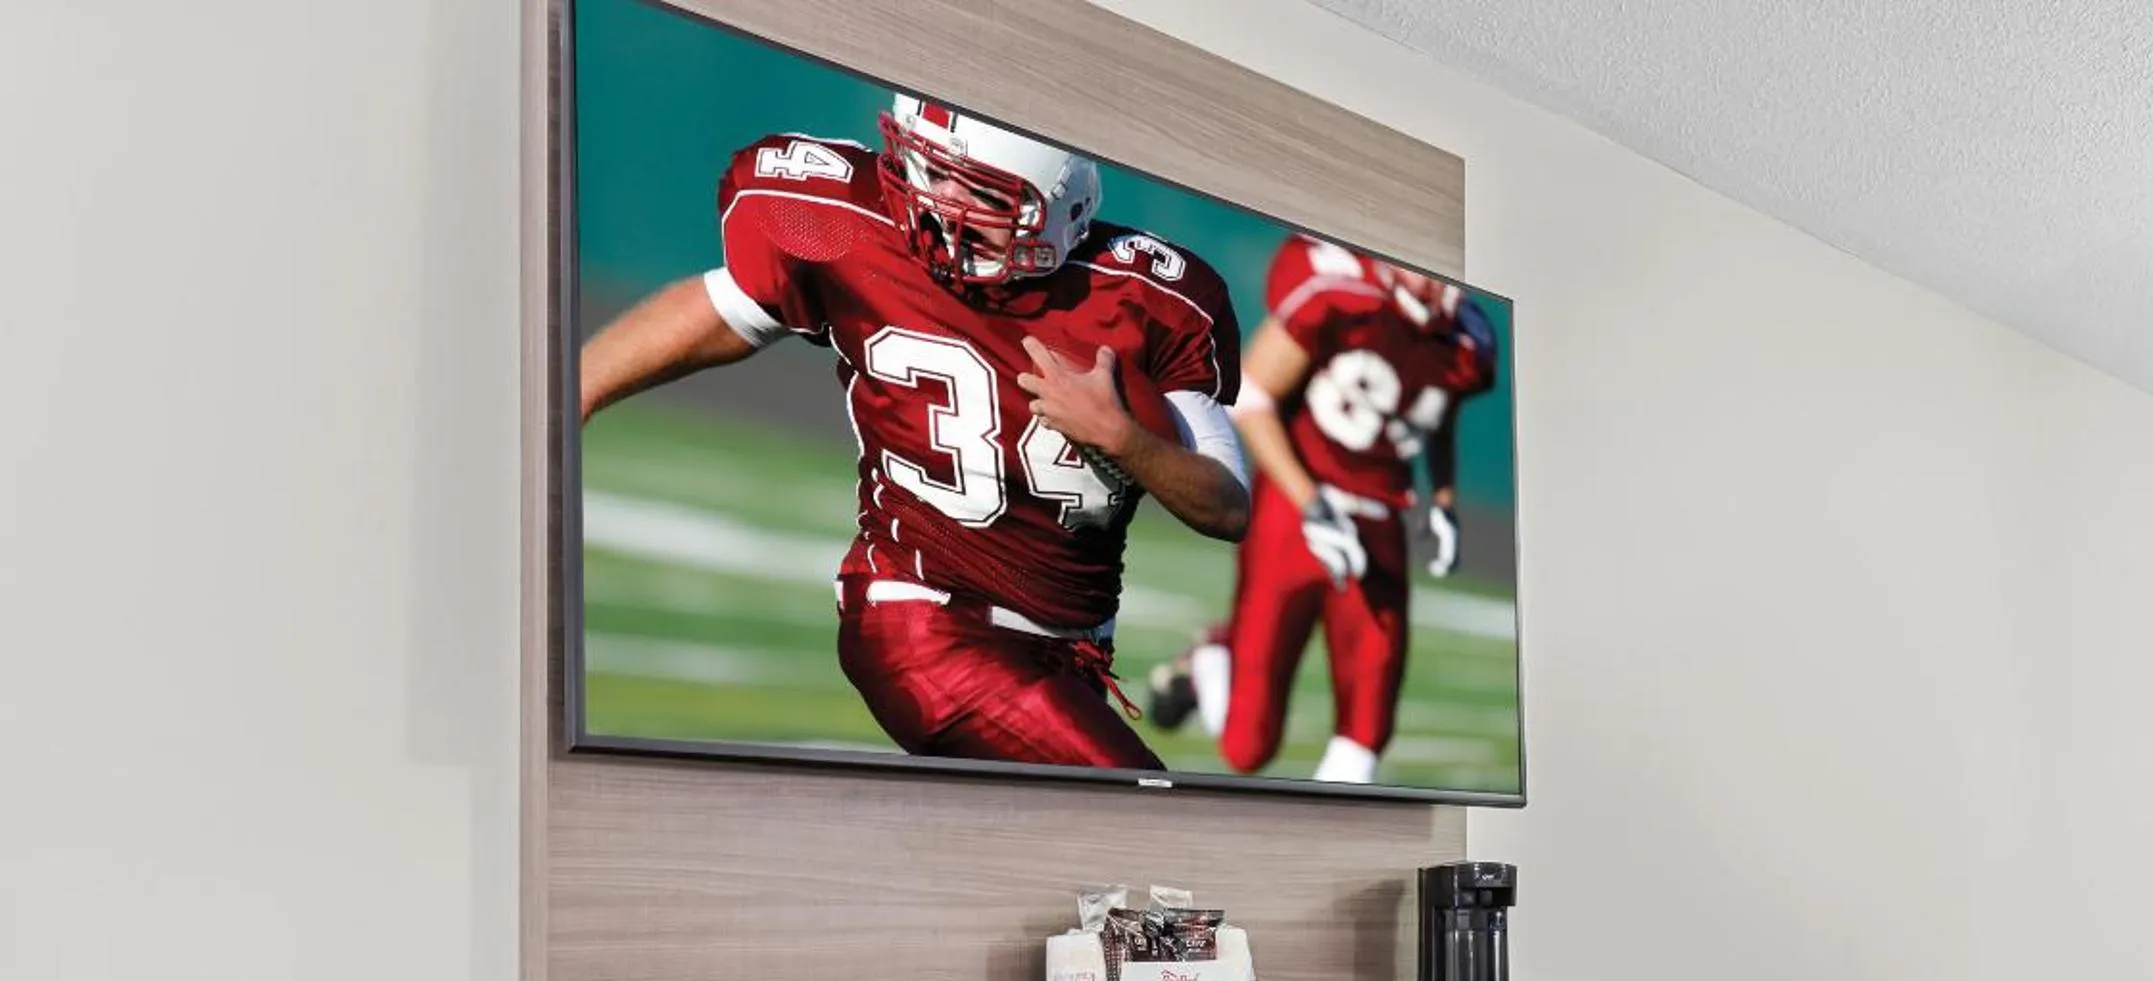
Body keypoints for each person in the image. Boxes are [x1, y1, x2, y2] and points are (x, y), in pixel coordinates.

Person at [580, 97, 1247, 767]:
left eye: (981, 189)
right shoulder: (850, 222)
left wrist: (1126, 440)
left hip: (1067, 654)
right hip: (921, 620)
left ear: (1057, 206)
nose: (941, 203)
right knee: (1140, 816)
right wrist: (565, 396)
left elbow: (1225, 506)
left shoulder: (1151, 300)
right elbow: (727, 311)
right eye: (930, 169)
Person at [1146, 236, 1498, 783]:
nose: (1433, 282)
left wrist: (1444, 500)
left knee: (1367, 732)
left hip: (1381, 521)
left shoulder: (1468, 343)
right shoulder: (1337, 292)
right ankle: (1217, 659)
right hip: (1295, 508)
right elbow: (1254, 396)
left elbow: (1438, 414)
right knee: (1247, 750)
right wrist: (1312, 504)